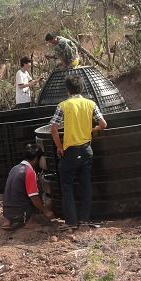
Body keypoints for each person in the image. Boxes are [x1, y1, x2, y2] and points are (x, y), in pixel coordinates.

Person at [50, 75, 106, 230]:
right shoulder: (90, 104)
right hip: (87, 150)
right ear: (82, 88)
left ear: (68, 90)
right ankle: (84, 220)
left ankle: (71, 222)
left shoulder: (63, 105)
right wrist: (92, 129)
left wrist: (59, 146)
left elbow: (53, 127)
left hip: (71, 151)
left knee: (67, 185)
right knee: (85, 185)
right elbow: (103, 123)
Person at [1, 143, 54, 230]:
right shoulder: (29, 172)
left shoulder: (14, 168)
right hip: (21, 214)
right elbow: (34, 198)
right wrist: (46, 211)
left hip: (7, 212)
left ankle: (8, 221)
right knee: (35, 195)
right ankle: (29, 222)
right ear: (37, 158)